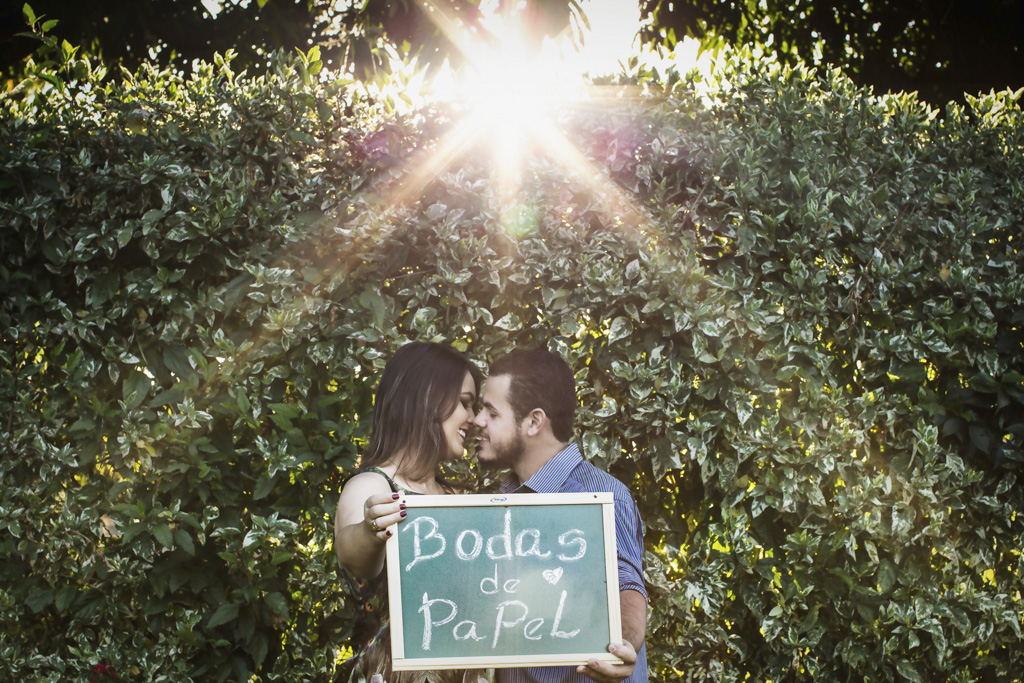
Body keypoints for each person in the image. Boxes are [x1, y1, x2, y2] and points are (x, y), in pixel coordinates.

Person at [472, 349, 648, 683]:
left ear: (534, 422)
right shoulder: (502, 502)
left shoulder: (600, 494)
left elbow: (626, 583)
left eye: (491, 412)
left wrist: (624, 643)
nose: (478, 421)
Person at [334, 341, 487, 683]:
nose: (474, 419)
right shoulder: (372, 486)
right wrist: (371, 530)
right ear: (430, 397)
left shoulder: (452, 495)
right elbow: (356, 557)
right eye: (464, 403)